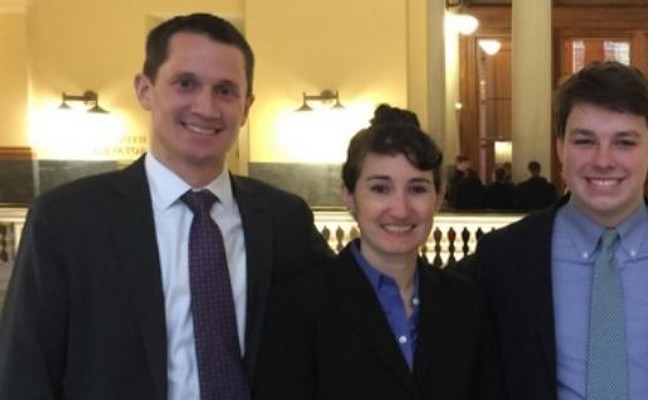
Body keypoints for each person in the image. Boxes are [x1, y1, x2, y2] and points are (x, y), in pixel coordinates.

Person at [0, 13, 334, 400]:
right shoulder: (66, 220)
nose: (206, 107)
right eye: (186, 83)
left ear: (246, 108)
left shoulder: (284, 219)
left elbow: (346, 317)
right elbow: (23, 371)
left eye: (225, 90)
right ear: (145, 90)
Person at [462, 61, 648, 399]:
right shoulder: (504, 257)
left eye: (624, 143)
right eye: (585, 141)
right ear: (560, 147)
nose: (603, 161)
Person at [253, 105, 491, 399]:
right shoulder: (297, 306)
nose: (400, 209)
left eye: (417, 189)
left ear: (439, 198)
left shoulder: (468, 302)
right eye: (380, 189)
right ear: (349, 196)